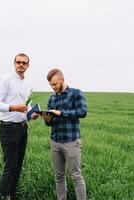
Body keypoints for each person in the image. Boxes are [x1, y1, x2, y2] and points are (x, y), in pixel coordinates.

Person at [0, 53, 38, 199]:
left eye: (24, 63)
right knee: (10, 166)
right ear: (14, 63)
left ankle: (12, 194)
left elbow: (27, 105)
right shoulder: (5, 80)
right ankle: (0, 195)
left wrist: (32, 113)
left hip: (23, 128)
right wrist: (13, 108)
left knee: (18, 165)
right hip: (8, 128)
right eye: (18, 62)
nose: (21, 65)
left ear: (28, 65)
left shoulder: (28, 84)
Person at [41, 68, 87, 200]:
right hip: (55, 142)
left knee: (76, 176)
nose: (53, 87)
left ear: (62, 80)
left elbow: (82, 112)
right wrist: (46, 118)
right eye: (50, 85)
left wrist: (61, 113)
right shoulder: (52, 99)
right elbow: (50, 124)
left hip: (71, 141)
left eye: (55, 84)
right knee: (59, 176)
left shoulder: (76, 94)